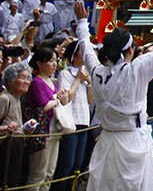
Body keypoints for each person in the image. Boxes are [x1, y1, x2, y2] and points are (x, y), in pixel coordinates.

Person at [75, 0, 153, 191]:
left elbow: (85, 48)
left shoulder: (97, 73)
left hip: (108, 141)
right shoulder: (136, 70)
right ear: (131, 49)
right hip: (134, 140)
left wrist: (82, 23)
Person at [23, 47, 68, 191]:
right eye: (50, 61)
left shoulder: (52, 82)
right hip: (43, 132)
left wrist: (63, 99)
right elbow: (43, 106)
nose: (54, 64)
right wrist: (58, 100)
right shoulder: (36, 82)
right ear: (39, 63)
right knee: (38, 174)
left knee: (49, 173)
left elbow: (58, 102)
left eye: (55, 61)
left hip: (55, 129)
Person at [0, 62, 33, 190]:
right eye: (22, 77)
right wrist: (5, 129)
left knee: (12, 181)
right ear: (10, 81)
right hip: (7, 144)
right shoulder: (4, 99)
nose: (26, 82)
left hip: (17, 144)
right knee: (5, 182)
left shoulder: (17, 100)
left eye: (28, 78)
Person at [52, 39, 92, 191]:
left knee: (78, 164)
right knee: (66, 164)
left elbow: (90, 99)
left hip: (84, 121)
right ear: (74, 56)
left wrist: (88, 82)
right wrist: (78, 79)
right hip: (70, 122)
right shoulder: (65, 73)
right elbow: (66, 98)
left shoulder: (85, 74)